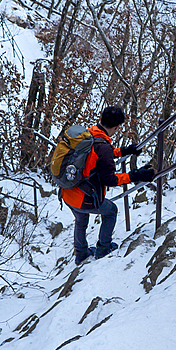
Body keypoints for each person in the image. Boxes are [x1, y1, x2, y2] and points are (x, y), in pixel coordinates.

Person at [61, 105, 156, 264]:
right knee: (111, 211)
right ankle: (103, 249)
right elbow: (110, 180)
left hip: (68, 191)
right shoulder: (102, 145)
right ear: (117, 127)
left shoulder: (89, 133)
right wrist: (135, 175)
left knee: (81, 220)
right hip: (83, 198)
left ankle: (81, 254)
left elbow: (99, 154)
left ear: (101, 119)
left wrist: (124, 151)